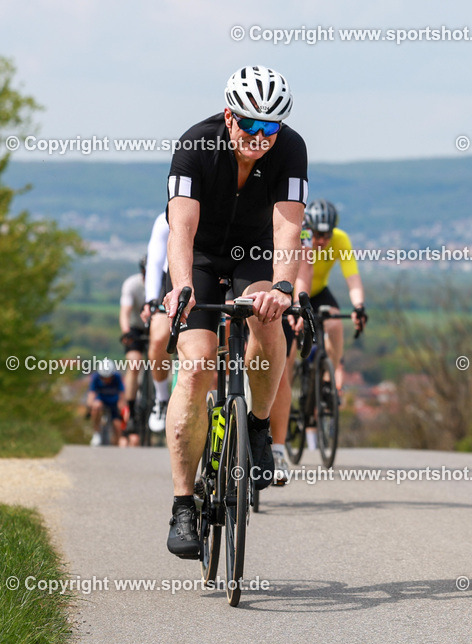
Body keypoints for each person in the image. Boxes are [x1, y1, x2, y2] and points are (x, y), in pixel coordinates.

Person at [162, 65, 308, 559]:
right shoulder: (194, 144)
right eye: (250, 125)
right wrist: (182, 287)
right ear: (229, 117)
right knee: (197, 365)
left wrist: (283, 286)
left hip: (255, 254)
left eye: (271, 127)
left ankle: (260, 428)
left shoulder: (291, 148)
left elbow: (288, 227)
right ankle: (183, 505)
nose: (260, 137)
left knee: (268, 322)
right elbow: (181, 229)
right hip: (199, 258)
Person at [269, 199, 367, 483]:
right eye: (318, 234)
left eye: (327, 234)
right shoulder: (302, 235)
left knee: (335, 322)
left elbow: (352, 277)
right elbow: (303, 269)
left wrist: (359, 306)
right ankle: (284, 392)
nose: (322, 240)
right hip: (292, 290)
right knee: (287, 355)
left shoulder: (340, 240)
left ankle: (328, 377)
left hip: (318, 291)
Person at [141, 212, 172, 433]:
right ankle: (161, 399)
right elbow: (155, 261)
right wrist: (151, 300)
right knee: (159, 338)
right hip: (171, 279)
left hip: (213, 271)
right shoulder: (165, 219)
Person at [119, 256, 148, 446]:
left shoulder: (164, 283)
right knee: (134, 363)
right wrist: (126, 332)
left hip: (157, 326)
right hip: (136, 328)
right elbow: (125, 312)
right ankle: (130, 409)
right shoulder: (132, 284)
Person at [87, 359, 126, 446]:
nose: (106, 380)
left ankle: (115, 444)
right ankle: (96, 432)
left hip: (114, 404)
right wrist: (90, 406)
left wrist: (121, 405)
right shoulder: (96, 377)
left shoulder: (117, 377)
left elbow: (122, 394)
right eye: (103, 377)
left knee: (117, 426)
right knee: (96, 406)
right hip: (101, 402)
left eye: (109, 377)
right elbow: (91, 394)